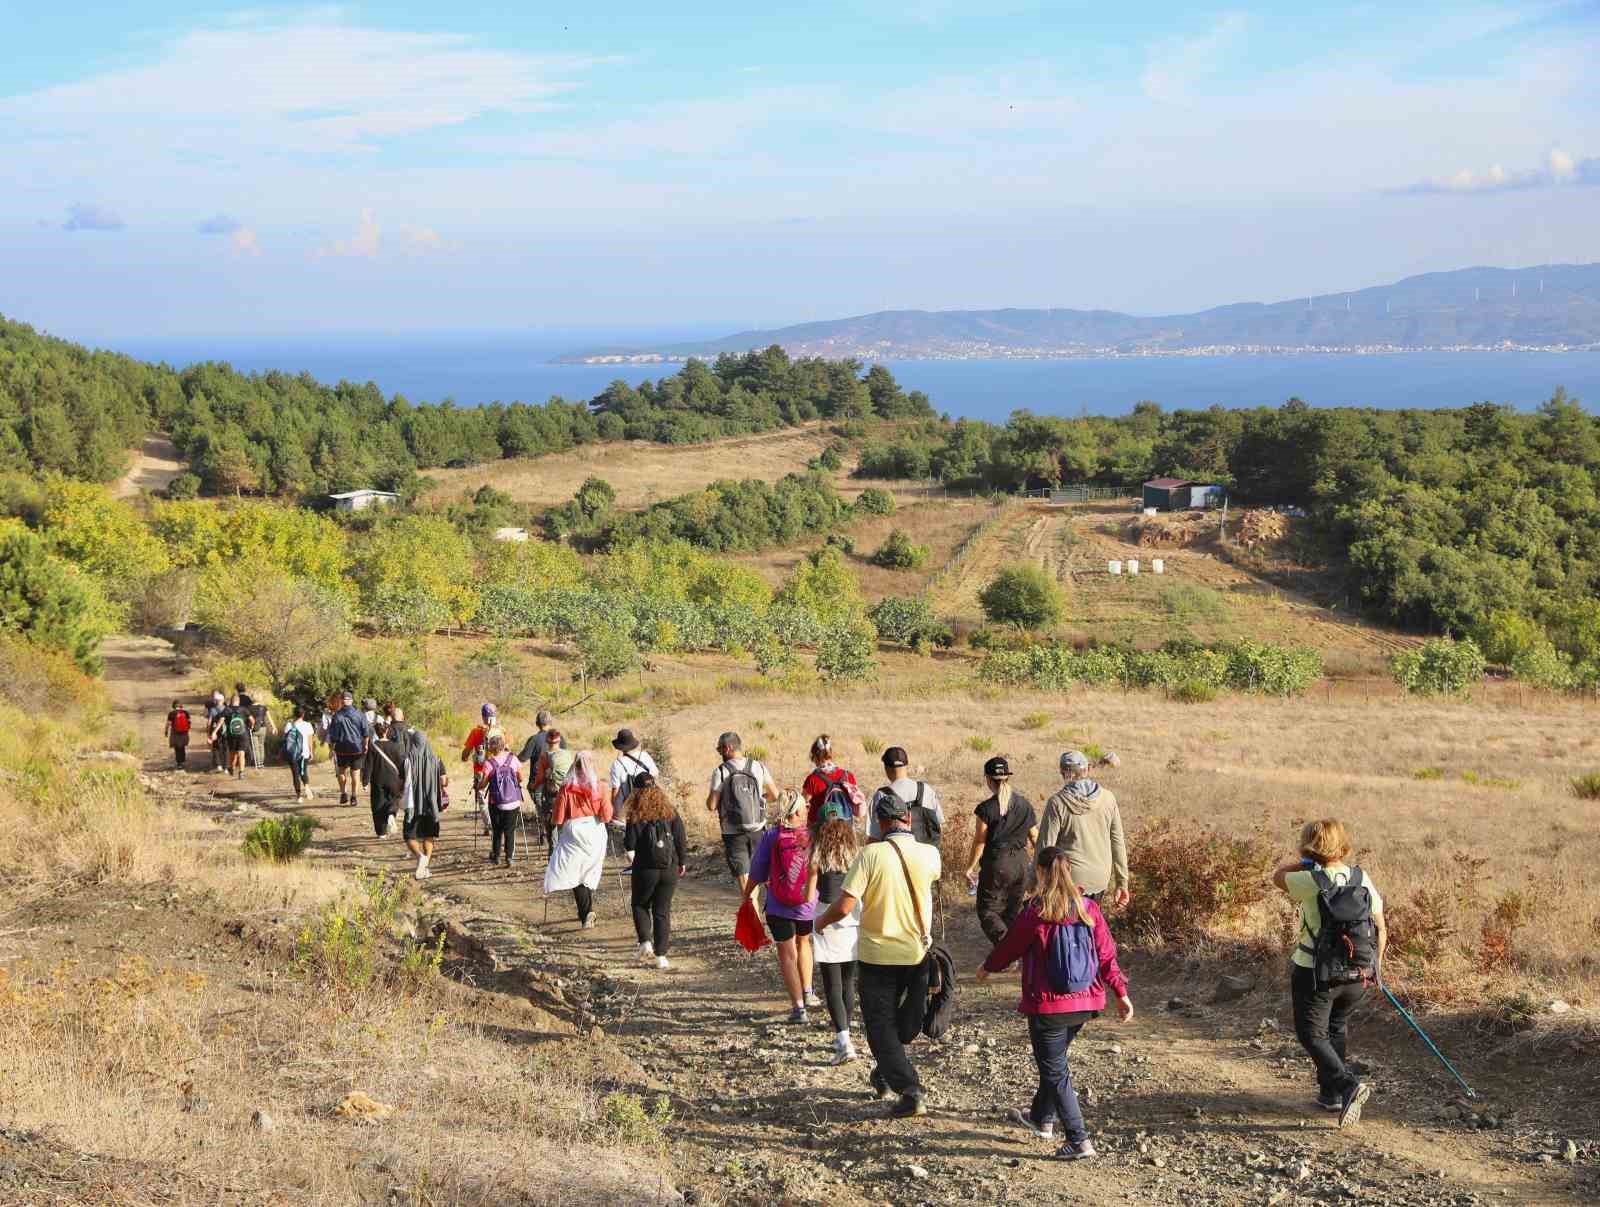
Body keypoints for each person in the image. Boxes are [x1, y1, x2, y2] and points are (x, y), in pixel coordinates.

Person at [977, 846, 1133, 1162]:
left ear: (1041, 872)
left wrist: (988, 968)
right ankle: (1041, 1118)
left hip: (1048, 1006)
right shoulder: (1089, 908)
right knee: (1054, 1063)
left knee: (1056, 1071)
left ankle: (1079, 1141)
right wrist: (1121, 993)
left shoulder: (1037, 910)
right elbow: (1106, 956)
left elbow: (1011, 947)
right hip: (1086, 1003)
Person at [816, 790, 941, 1119]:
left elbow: (843, 907)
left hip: (877, 955)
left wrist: (818, 923)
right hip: (917, 952)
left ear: (880, 823)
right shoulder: (930, 855)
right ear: (908, 819)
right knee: (901, 1021)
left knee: (880, 1023)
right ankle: (885, 1071)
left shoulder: (870, 855)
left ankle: (911, 1089)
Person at [1273, 820, 1387, 1129]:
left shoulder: (1310, 879)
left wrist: (1303, 860)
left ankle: (1347, 1085)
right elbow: (1380, 926)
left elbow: (1277, 877)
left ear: (1309, 847)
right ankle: (1331, 1094)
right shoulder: (1361, 878)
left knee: (1311, 1034)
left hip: (1315, 972)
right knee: (1336, 1028)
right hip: (1358, 974)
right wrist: (1374, 967)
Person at [743, 792, 820, 1023]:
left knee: (787, 954)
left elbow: (757, 870)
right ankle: (808, 992)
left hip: (779, 905)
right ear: (796, 812)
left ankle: (798, 1009)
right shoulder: (812, 836)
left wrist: (747, 895)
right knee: (804, 942)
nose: (807, 811)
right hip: (806, 905)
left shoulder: (772, 836)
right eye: (804, 808)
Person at [808, 799, 863, 1063]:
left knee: (832, 983)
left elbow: (809, 892)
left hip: (826, 916)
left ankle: (843, 1039)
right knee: (848, 982)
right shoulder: (856, 853)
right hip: (853, 915)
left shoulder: (817, 852)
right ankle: (846, 1032)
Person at [1037, 751, 1130, 907]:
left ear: (1063, 773)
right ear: (1087, 770)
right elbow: (1118, 842)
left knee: (1066, 929)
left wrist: (1037, 883)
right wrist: (1122, 882)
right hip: (1100, 878)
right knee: (1090, 925)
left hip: (1068, 879)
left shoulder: (1057, 803)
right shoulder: (1108, 798)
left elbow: (1045, 848)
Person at [964, 755, 1038, 947]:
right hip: (1022, 863)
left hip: (997, 864)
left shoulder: (986, 808)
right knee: (1011, 914)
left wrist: (970, 867)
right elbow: (1035, 838)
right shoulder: (1025, 805)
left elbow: (980, 841)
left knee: (987, 911)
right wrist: (1040, 866)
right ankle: (1015, 953)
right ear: (1007, 778)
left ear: (988, 779)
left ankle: (1009, 951)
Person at [623, 773, 688, 970]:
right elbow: (681, 838)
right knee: (662, 911)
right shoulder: (670, 811)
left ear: (636, 791)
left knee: (640, 904)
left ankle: (645, 943)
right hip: (669, 868)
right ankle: (661, 957)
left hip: (645, 868)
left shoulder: (636, 814)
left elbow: (629, 844)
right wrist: (682, 862)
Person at [544, 751, 614, 927]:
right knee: (588, 870)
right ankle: (586, 910)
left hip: (574, 832)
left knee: (575, 873)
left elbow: (558, 819)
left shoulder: (567, 788)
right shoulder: (602, 787)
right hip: (595, 831)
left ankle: (586, 912)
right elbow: (606, 816)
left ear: (574, 766)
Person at [706, 731, 780, 893]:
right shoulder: (758, 766)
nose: (720, 754)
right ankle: (765, 916)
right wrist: (759, 800)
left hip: (734, 834)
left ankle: (753, 916)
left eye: (720, 750)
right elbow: (775, 795)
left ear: (728, 748)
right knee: (760, 878)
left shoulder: (721, 771)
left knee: (746, 884)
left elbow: (711, 805)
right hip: (758, 830)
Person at [393, 709, 447, 880]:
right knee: (429, 835)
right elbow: (444, 781)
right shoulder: (437, 760)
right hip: (431, 804)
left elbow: (400, 784)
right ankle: (425, 865)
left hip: (413, 804)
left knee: (409, 835)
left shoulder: (406, 761)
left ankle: (420, 858)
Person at [868, 747, 944, 845]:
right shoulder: (926, 789)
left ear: (886, 768)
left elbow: (874, 838)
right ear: (906, 765)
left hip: (896, 856)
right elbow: (939, 827)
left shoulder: (881, 795)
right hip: (927, 855)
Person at [801, 735, 865, 830]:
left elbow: (802, 805)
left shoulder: (812, 779)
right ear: (831, 753)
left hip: (820, 831)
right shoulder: (848, 776)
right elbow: (857, 806)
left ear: (814, 756)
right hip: (845, 830)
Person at [518, 709, 566, 833]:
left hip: (537, 783)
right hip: (557, 783)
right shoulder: (560, 738)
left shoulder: (534, 739)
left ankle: (544, 828)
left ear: (537, 723)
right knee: (552, 809)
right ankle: (548, 828)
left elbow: (522, 758)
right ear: (550, 722)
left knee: (542, 808)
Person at [482, 733, 525, 867]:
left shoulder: (489, 763)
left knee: (497, 830)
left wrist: (478, 784)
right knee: (510, 830)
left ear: (491, 748)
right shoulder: (513, 758)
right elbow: (521, 778)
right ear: (502, 746)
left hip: (496, 802)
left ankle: (496, 856)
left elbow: (483, 784)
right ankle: (509, 857)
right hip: (513, 801)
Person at [363, 718, 410, 839]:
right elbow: (401, 764)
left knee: (378, 804)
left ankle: (381, 832)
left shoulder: (373, 746)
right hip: (393, 780)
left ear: (376, 732)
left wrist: (365, 781)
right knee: (393, 799)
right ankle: (391, 814)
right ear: (387, 731)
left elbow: (368, 765)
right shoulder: (395, 746)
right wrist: (404, 778)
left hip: (378, 780)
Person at [461, 704, 503, 836]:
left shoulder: (476, 732)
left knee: (483, 800)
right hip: (499, 770)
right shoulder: (502, 731)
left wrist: (466, 756)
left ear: (483, 716)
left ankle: (489, 825)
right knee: (499, 797)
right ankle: (498, 824)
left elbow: (465, 753)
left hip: (481, 771)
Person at [327, 691, 372, 805]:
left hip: (341, 749)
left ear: (342, 701)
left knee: (341, 772)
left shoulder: (337, 715)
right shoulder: (360, 714)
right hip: (357, 748)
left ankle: (343, 793)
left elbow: (333, 736)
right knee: (355, 774)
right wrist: (366, 745)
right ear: (351, 701)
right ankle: (354, 796)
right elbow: (366, 733)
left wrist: (332, 749)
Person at [534, 730, 577, 848]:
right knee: (563, 827)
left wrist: (533, 787)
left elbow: (540, 778)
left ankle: (552, 854)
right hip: (566, 794)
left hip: (550, 795)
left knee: (551, 826)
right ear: (559, 741)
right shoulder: (567, 754)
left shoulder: (544, 756)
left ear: (547, 741)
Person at [608, 728, 658, 823]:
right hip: (650, 799)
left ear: (620, 747)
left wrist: (614, 811)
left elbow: (616, 790)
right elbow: (655, 775)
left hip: (631, 805)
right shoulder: (644, 755)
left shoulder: (617, 764)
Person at [214, 693, 253, 780]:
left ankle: (232, 767)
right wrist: (251, 726)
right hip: (243, 734)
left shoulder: (227, 710)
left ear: (231, 701)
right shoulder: (244, 709)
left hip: (231, 735)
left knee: (233, 753)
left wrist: (214, 732)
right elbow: (252, 720)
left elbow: (220, 722)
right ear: (238, 701)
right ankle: (241, 772)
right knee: (241, 753)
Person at [284, 705, 316, 801]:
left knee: (295, 774)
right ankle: (306, 786)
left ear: (294, 714)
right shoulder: (308, 725)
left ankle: (299, 796)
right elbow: (310, 740)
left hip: (292, 753)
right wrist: (311, 752)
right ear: (303, 714)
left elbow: (286, 739)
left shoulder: (289, 725)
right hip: (304, 752)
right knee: (303, 770)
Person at [164, 699, 191, 768]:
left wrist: (166, 731)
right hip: (184, 732)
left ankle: (179, 763)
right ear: (181, 705)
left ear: (173, 706)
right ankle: (182, 760)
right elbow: (189, 722)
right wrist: (187, 729)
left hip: (175, 732)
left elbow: (168, 723)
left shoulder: (171, 713)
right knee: (182, 747)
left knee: (177, 748)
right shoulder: (185, 712)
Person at [206, 690, 226, 773]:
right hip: (225, 730)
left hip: (214, 730)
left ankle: (218, 765)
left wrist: (208, 733)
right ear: (223, 700)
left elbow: (209, 722)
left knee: (215, 748)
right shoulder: (226, 708)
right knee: (225, 748)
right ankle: (226, 766)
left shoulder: (212, 710)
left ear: (215, 701)